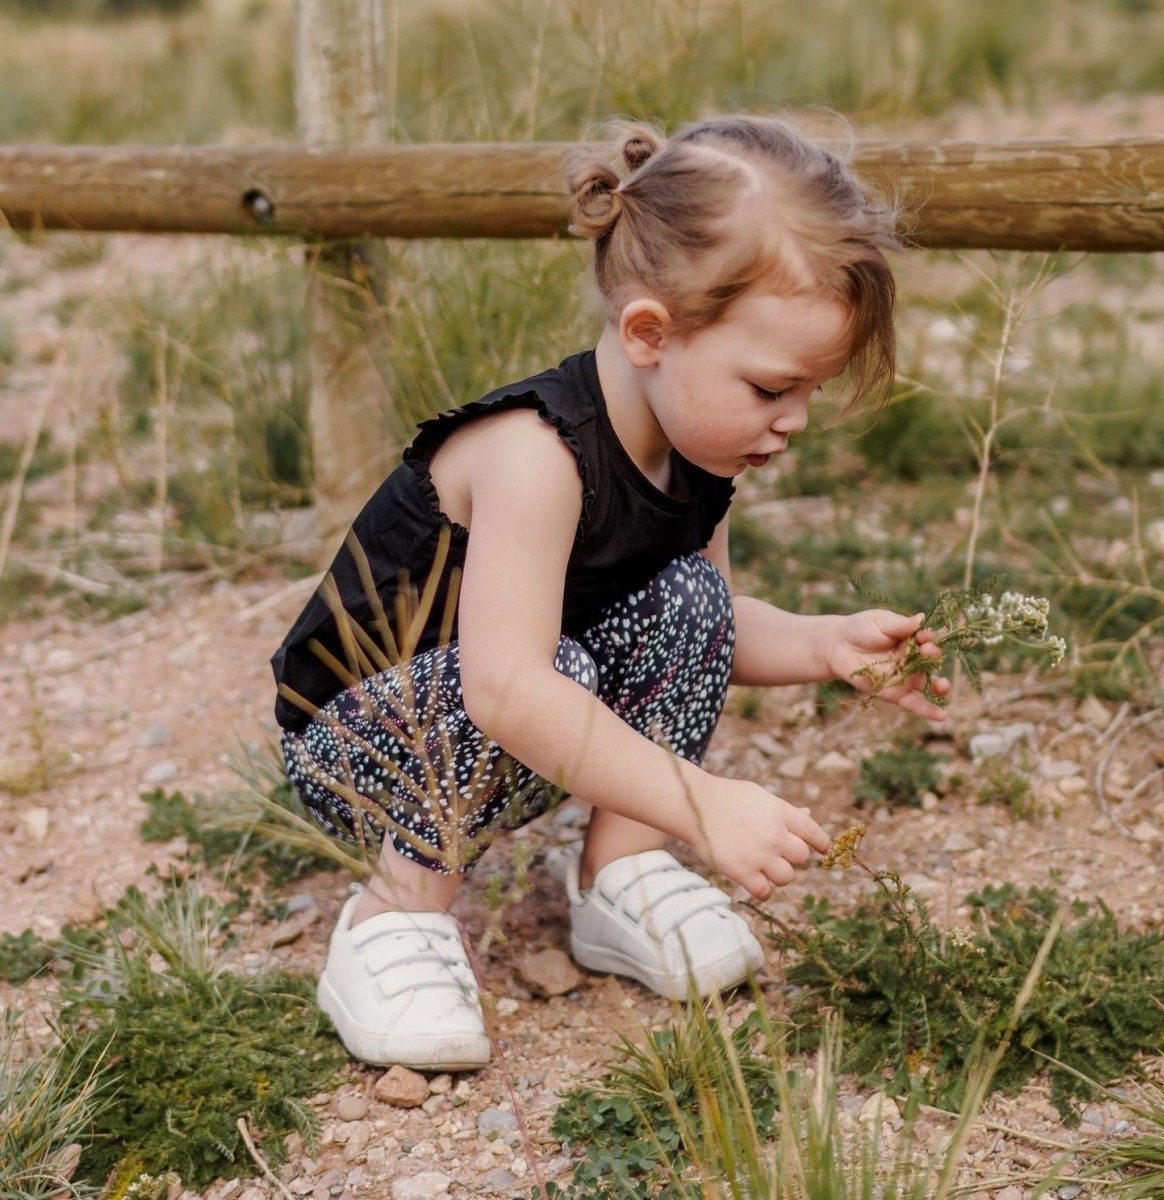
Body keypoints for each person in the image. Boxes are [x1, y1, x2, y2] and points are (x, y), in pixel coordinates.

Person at [271, 114, 950, 1072]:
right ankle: (392, 914)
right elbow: (506, 688)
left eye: (810, 394)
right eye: (769, 388)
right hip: (361, 741)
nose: (792, 422)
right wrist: (702, 801)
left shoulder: (697, 457)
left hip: (525, 704)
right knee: (553, 665)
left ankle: (618, 870)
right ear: (649, 333)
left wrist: (825, 644)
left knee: (689, 601)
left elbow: (713, 630)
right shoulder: (536, 455)